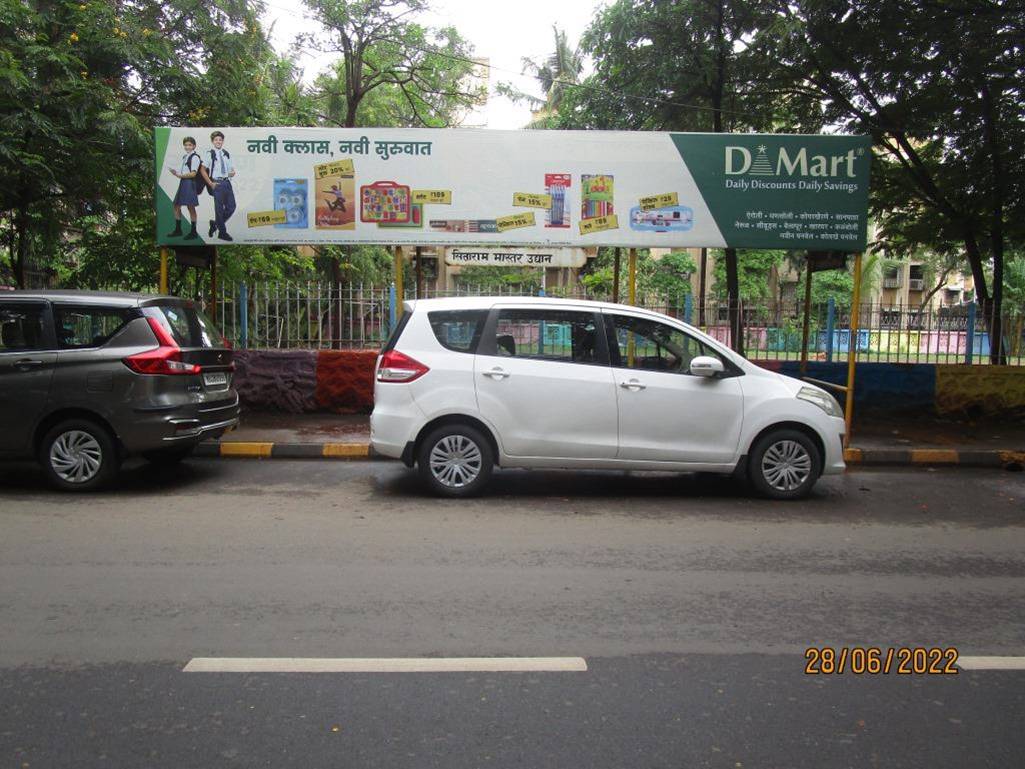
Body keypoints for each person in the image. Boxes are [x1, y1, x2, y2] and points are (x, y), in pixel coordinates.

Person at [200, 130, 236, 242]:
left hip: (227, 183)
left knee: (231, 207)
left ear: (223, 141)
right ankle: (222, 233)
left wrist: (232, 173)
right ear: (212, 141)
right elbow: (202, 170)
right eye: (216, 140)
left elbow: (231, 170)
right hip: (217, 183)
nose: (218, 141)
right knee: (219, 210)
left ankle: (215, 224)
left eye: (220, 139)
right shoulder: (209, 153)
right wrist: (210, 183)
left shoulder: (226, 153)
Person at [165, 136, 202, 240]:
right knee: (176, 206)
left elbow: (193, 174)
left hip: (189, 183)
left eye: (190, 145)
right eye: (186, 145)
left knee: (190, 207)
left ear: (194, 146)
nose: (187, 147)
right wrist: (176, 173)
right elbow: (184, 172)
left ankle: (193, 232)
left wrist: (180, 176)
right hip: (184, 182)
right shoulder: (185, 157)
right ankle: (178, 230)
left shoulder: (195, 157)